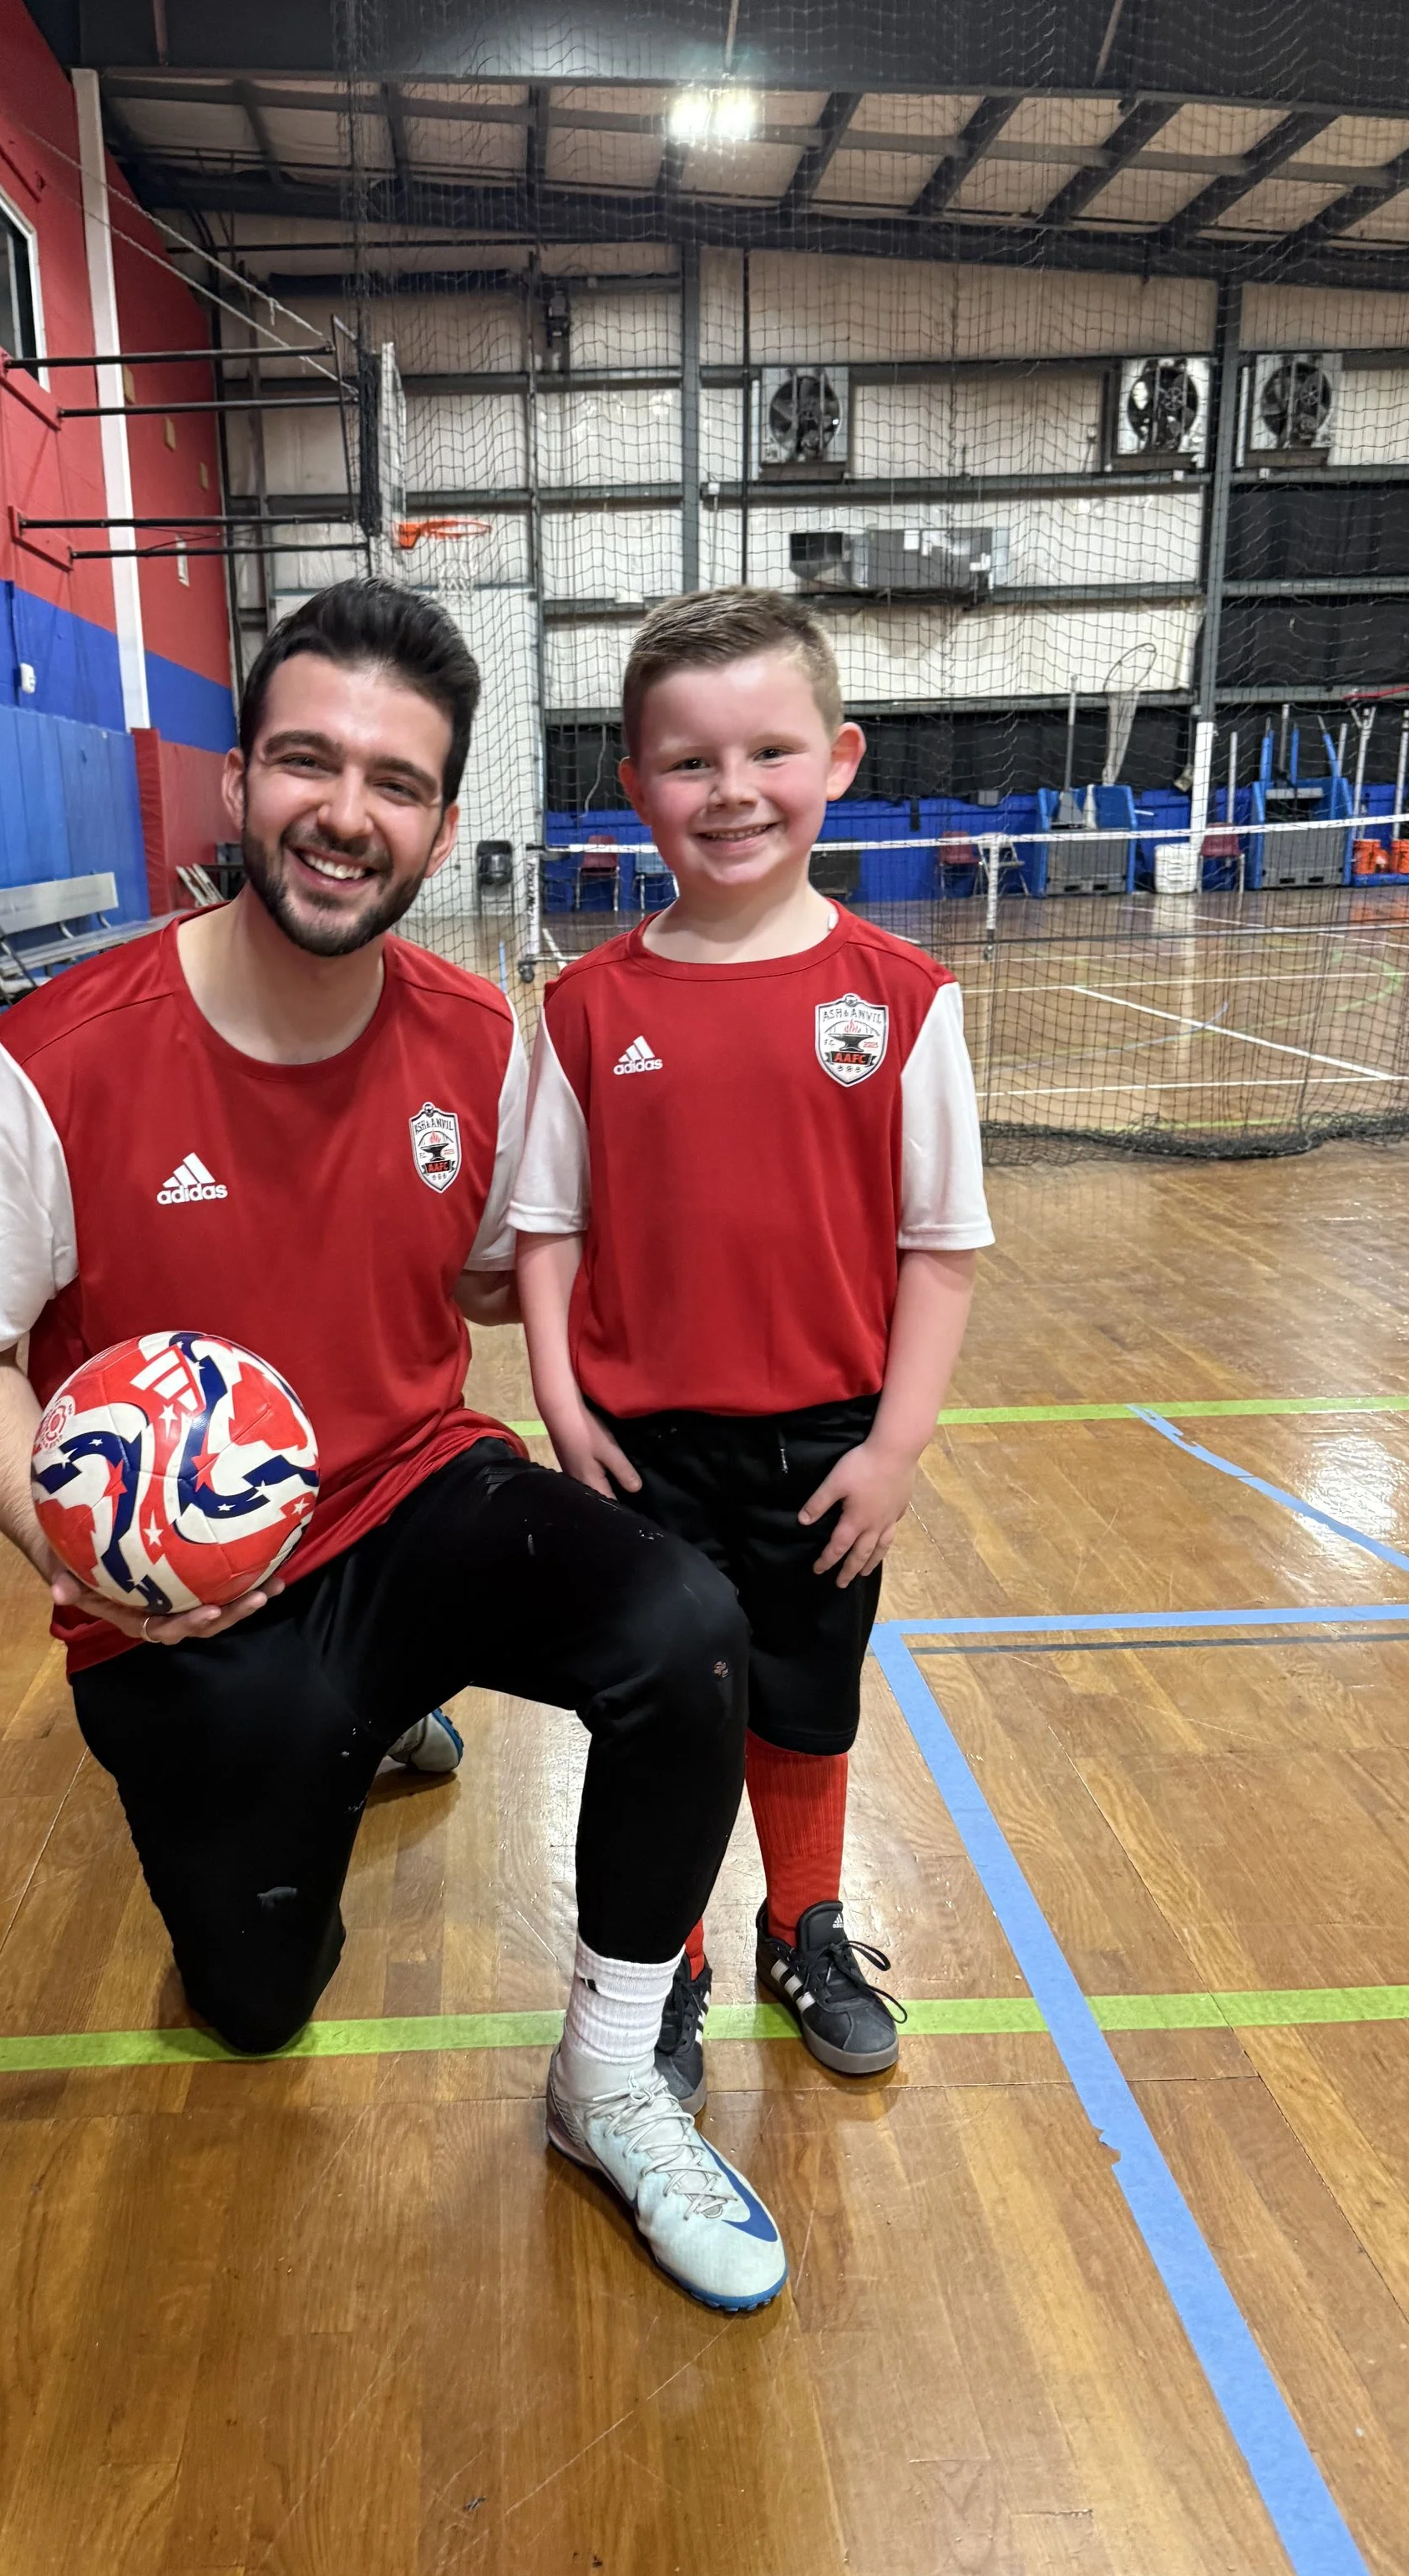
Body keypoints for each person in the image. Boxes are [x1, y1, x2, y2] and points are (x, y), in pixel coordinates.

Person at [0, 580, 787, 2311]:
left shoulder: (474, 1040)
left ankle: (608, 2077)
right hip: (189, 1602)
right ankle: (343, 1742)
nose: (344, 810)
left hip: (408, 1492)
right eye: (307, 760)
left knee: (685, 1628)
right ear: (237, 784)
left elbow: (466, 1286)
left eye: (393, 781)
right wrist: (87, 1551)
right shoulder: (48, 1065)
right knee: (254, 2007)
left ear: (439, 826)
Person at [512, 586, 993, 2111]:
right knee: (665, 1705)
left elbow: (944, 1249)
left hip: (823, 1444)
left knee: (804, 1695)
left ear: (838, 759)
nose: (731, 793)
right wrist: (558, 1397)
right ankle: (669, 1961)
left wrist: (895, 1447)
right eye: (687, 762)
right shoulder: (586, 1006)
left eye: (768, 752)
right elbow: (545, 1225)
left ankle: (804, 1926)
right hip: (641, 1444)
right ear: (637, 782)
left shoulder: (902, 1002)